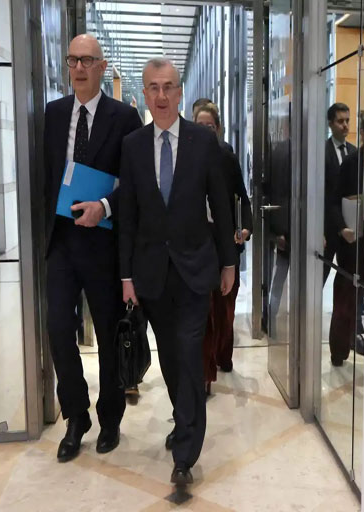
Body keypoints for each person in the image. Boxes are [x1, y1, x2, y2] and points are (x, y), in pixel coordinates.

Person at [119, 58, 237, 486]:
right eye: (153, 87)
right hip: (152, 274)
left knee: (188, 354)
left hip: (195, 269)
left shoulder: (202, 142)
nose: (162, 96)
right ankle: (183, 416)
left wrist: (228, 262)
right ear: (145, 94)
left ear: (180, 91)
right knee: (170, 358)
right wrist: (126, 277)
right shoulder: (133, 145)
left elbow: (220, 205)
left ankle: (185, 453)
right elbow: (128, 215)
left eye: (169, 86)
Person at [43, 33, 142, 463]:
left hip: (104, 243)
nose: (79, 68)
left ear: (102, 67)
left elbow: (135, 181)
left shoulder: (124, 117)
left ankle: (110, 417)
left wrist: (105, 206)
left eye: (87, 60)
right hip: (62, 242)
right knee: (58, 328)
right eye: (72, 60)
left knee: (107, 333)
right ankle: (76, 416)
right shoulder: (53, 114)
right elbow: (46, 174)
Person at [194, 103, 253, 384]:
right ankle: (205, 374)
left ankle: (222, 355)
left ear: (217, 129)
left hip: (225, 243)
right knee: (203, 312)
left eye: (210, 126)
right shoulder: (184, 158)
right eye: (200, 126)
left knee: (225, 308)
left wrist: (246, 228)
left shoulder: (226, 157)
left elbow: (243, 198)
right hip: (197, 245)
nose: (206, 131)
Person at [329, 111, 364, 366]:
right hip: (353, 239)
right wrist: (342, 228)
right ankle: (339, 349)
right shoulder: (351, 162)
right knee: (345, 295)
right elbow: (334, 201)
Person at [324, 103, 357, 284]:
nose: (345, 125)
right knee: (320, 277)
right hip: (328, 229)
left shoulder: (354, 152)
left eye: (347, 121)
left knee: (348, 280)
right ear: (330, 123)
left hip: (349, 229)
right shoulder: (322, 152)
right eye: (340, 121)